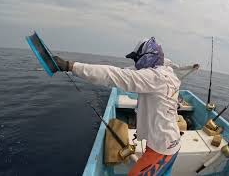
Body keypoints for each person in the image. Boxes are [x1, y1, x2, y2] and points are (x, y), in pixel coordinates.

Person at [53, 37, 184, 175]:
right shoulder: (167, 72)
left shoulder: (154, 77)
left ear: (149, 55)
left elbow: (113, 75)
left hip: (161, 150)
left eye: (137, 58)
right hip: (171, 144)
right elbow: (124, 72)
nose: (136, 62)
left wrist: (70, 66)